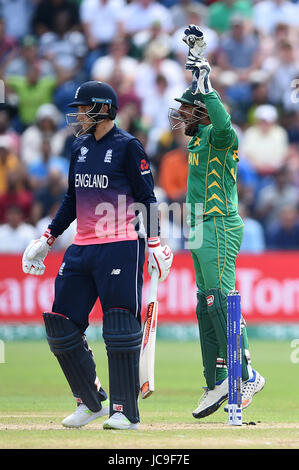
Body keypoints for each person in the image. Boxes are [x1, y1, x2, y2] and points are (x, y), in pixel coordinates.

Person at [22, 80, 173, 430]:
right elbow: (73, 200)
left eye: (83, 108)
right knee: (61, 325)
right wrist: (47, 237)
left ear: (103, 109)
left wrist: (153, 242)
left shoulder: (128, 147)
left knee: (119, 327)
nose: (76, 115)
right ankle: (90, 402)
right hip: (83, 246)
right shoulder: (79, 146)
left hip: (122, 244)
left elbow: (147, 199)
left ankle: (126, 412)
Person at [168, 25, 265, 419]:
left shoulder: (221, 136)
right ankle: (216, 380)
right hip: (196, 226)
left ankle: (247, 372)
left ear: (205, 111)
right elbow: (205, 113)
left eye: (188, 109)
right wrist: (197, 66)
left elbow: (223, 124)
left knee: (222, 298)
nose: (180, 115)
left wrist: (207, 84)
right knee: (204, 304)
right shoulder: (196, 139)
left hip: (219, 223)